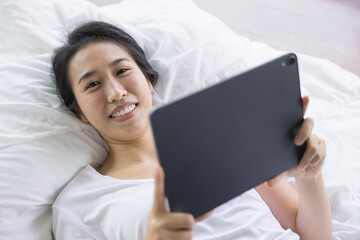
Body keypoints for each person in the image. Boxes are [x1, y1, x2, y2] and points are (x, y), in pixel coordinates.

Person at [51, 21, 332, 240]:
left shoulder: (222, 140)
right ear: (79, 113)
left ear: (148, 82)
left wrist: (309, 175)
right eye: (92, 85)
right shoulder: (80, 204)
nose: (115, 92)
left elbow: (307, 231)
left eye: (122, 71)